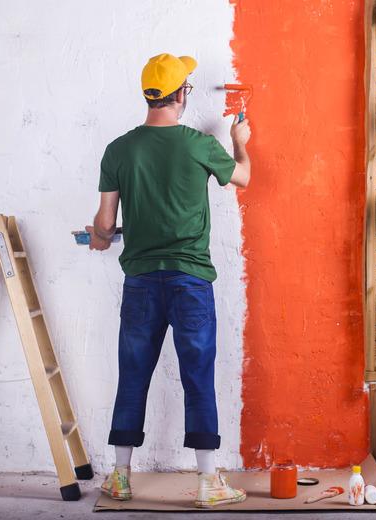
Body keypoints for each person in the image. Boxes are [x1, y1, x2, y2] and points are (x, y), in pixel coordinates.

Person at [85, 53, 251, 508]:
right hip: (191, 282)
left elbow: (103, 224)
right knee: (198, 377)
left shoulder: (118, 150)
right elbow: (245, 177)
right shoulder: (198, 145)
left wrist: (100, 239)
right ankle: (207, 483)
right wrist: (239, 140)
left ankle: (120, 477)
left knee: (132, 375)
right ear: (181, 95)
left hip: (140, 282)